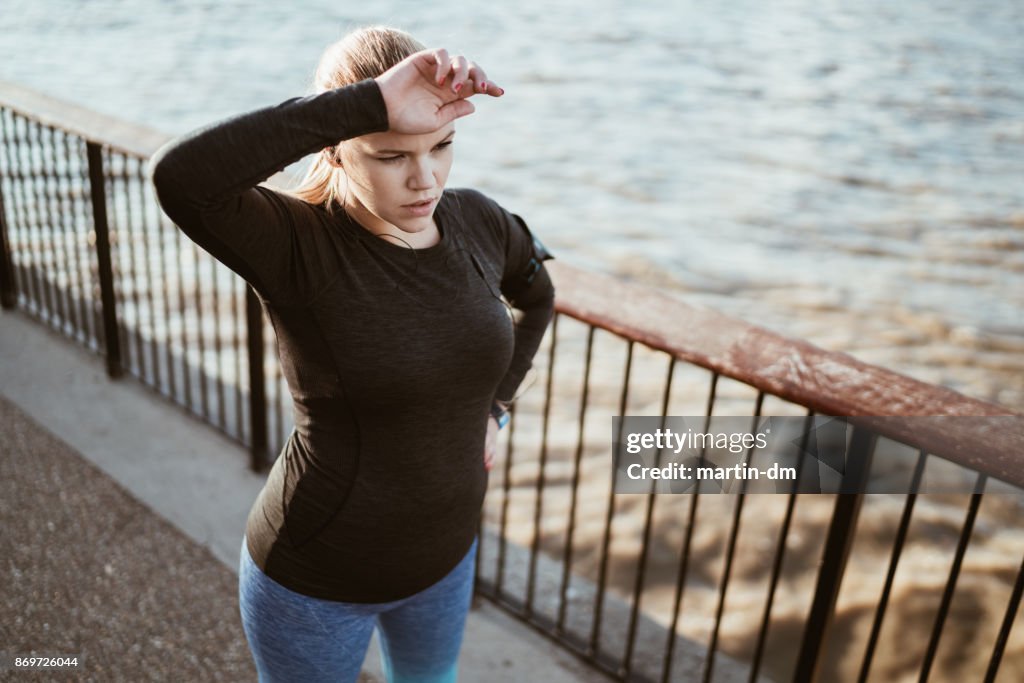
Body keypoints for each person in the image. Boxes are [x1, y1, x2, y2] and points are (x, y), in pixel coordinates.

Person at [149, 26, 555, 683]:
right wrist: (367, 103)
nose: (425, 179)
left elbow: (538, 300)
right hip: (315, 582)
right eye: (391, 154)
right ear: (337, 150)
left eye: (442, 146)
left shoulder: (479, 221)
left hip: (444, 564)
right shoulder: (297, 246)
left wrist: (498, 404)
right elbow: (180, 178)